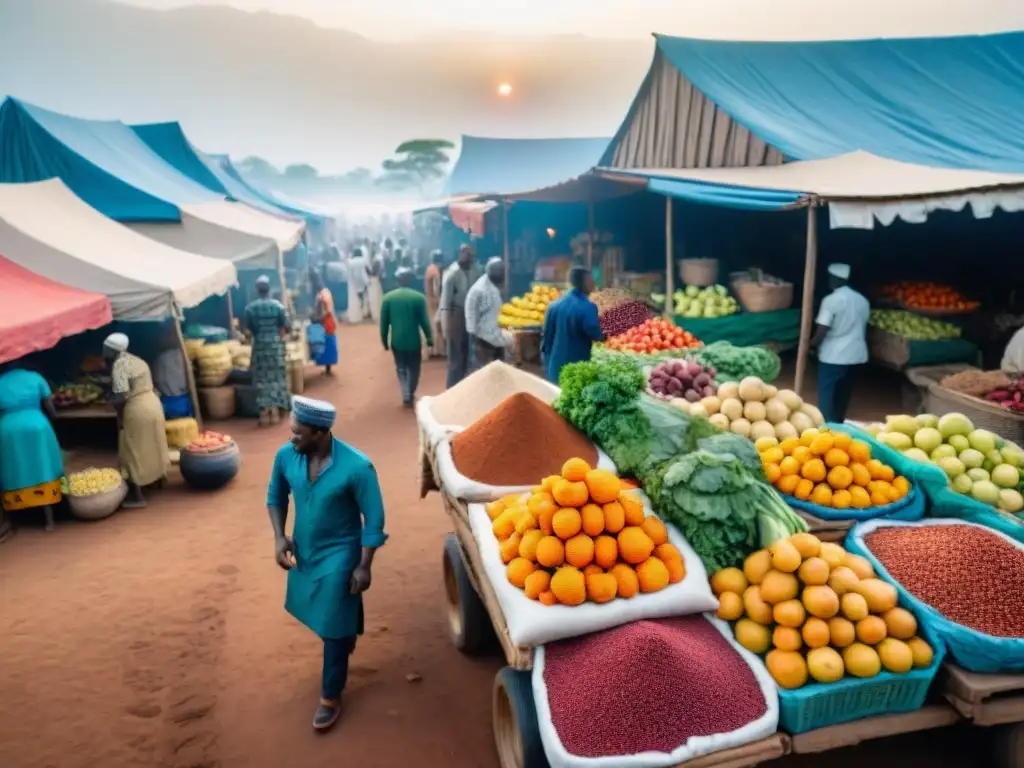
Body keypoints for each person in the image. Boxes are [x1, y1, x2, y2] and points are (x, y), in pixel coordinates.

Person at [267, 396, 387, 732]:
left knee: (333, 625)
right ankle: (346, 630)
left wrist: (363, 566)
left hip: (342, 553)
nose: (291, 438)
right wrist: (279, 536)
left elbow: (374, 519)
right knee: (326, 612)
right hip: (307, 550)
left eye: (298, 433)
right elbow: (275, 496)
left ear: (319, 433)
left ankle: (330, 696)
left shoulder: (357, 467)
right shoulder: (286, 456)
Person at [103, 333, 169, 508]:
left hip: (137, 409)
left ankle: (138, 496)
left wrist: (117, 414)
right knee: (155, 443)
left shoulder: (119, 365)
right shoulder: (138, 360)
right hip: (153, 404)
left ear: (111, 350)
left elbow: (120, 397)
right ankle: (159, 480)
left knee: (132, 450)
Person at [0, 364, 64, 531]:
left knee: (14, 467)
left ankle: (14, 516)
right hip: (37, 426)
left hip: (8, 429)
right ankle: (49, 519)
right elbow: (49, 405)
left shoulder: (1, 381)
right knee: (43, 466)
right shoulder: (35, 377)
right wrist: (54, 419)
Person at [809, 263, 870, 423]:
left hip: (834, 355)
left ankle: (826, 425)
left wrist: (812, 344)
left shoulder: (831, 300)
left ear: (833, 279)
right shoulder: (862, 300)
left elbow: (822, 329)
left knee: (827, 392)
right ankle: (838, 423)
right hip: (856, 354)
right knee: (844, 392)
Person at [541, 265, 604, 384]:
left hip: (554, 370)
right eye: (591, 280)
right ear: (584, 282)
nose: (594, 283)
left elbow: (546, 341)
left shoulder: (553, 306)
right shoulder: (587, 307)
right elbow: (597, 334)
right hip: (576, 371)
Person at [380, 268, 433, 406]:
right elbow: (424, 321)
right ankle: (410, 391)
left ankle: (405, 394)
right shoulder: (419, 298)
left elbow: (384, 323)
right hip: (414, 341)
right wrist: (429, 338)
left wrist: (384, 341)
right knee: (414, 368)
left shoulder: (388, 298)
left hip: (396, 341)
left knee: (401, 368)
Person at [243, 275, 291, 427]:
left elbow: (249, 328)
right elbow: (287, 325)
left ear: (257, 290)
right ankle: (277, 410)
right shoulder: (278, 307)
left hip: (260, 347)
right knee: (277, 378)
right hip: (275, 347)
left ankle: (264, 413)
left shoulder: (250, 308)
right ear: (269, 289)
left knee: (262, 380)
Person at [439, 244, 481, 387]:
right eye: (467, 255)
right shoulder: (451, 274)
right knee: (456, 357)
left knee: (470, 356)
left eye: (472, 256)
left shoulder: (476, 270)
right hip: (455, 316)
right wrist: (446, 328)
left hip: (472, 314)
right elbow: (445, 303)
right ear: (460, 255)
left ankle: (464, 388)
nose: (470, 259)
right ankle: (451, 388)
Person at [466, 257, 512, 368]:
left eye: (502, 271)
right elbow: (471, 315)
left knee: (498, 371)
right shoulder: (479, 289)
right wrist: (476, 339)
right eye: (499, 272)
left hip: (497, 337)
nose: (502, 274)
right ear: (491, 272)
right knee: (482, 372)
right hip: (483, 340)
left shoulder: (495, 286)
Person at [151, 322, 192, 419]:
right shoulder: (183, 355)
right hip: (182, 402)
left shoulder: (161, 359)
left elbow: (156, 381)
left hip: (169, 404)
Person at [309, 268, 339, 376]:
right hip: (328, 320)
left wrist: (318, 318)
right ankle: (328, 368)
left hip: (327, 321)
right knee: (328, 342)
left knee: (327, 343)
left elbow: (328, 311)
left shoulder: (322, 294)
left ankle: (328, 368)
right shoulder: (325, 291)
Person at [422, 249, 445, 360]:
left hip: (429, 299)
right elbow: (436, 288)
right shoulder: (435, 271)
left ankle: (432, 349)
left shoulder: (429, 269)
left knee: (431, 325)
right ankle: (437, 350)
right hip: (434, 301)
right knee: (436, 325)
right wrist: (439, 299)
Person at [346, 247, 370, 324]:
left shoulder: (350, 262)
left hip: (355, 282)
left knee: (358, 298)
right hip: (363, 280)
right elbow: (368, 270)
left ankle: (357, 314)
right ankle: (365, 313)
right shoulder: (363, 260)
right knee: (366, 297)